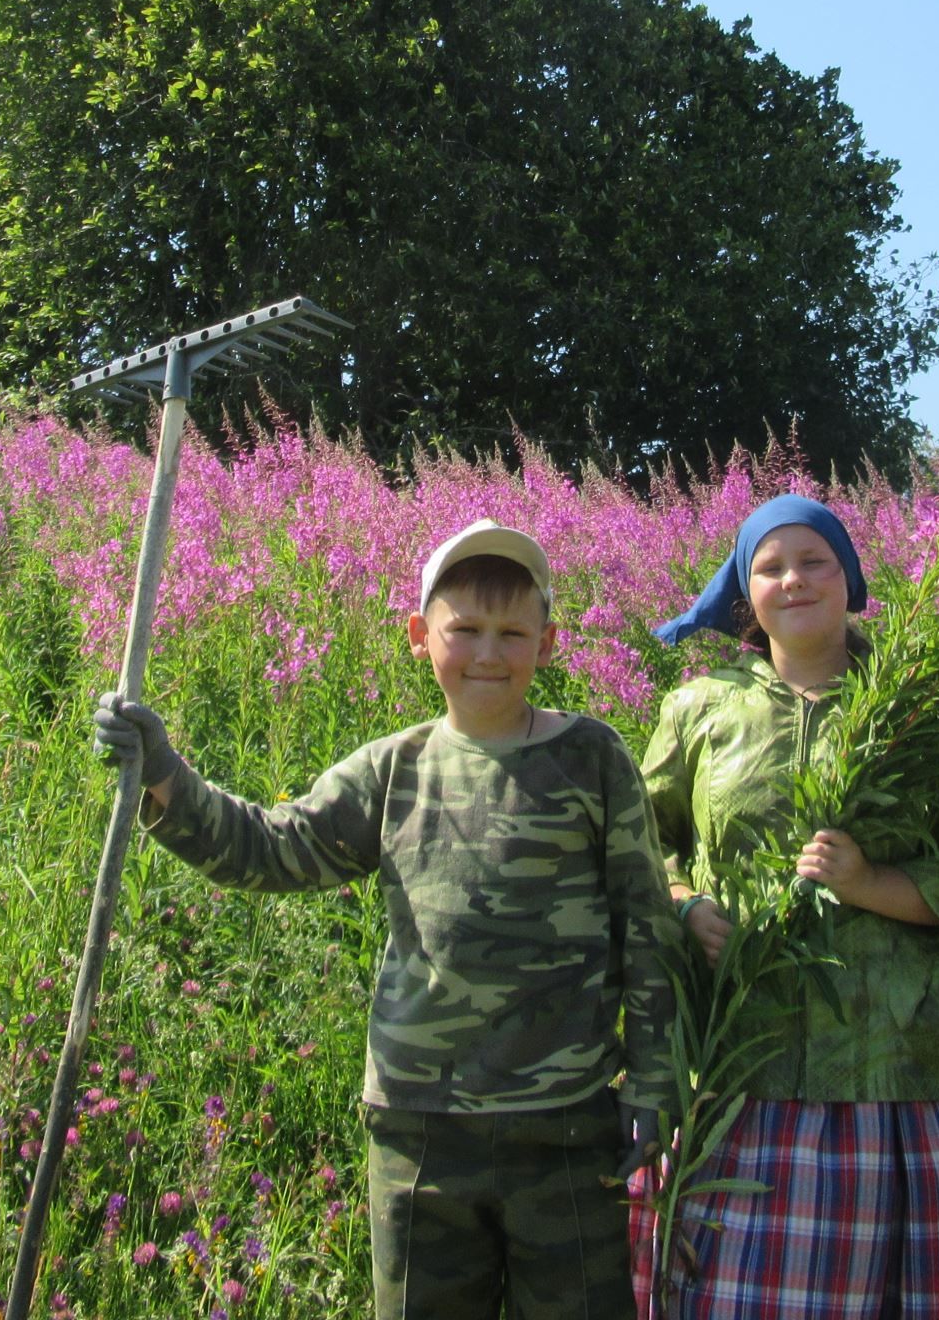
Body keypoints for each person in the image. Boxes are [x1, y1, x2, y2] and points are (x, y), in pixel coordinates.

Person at [95, 519, 675, 1320]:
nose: (488, 653)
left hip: (567, 1127)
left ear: (547, 645)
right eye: (464, 630)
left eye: (512, 634)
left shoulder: (592, 759)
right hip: (419, 1130)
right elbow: (273, 848)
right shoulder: (394, 769)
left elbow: (647, 924)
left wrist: (652, 1080)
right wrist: (164, 774)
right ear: (418, 636)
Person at [634, 494, 939, 1320]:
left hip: (889, 1076)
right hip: (739, 1072)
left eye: (815, 562)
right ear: (744, 592)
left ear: (850, 581)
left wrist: (870, 884)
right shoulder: (701, 710)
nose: (794, 580)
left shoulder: (917, 714)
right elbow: (636, 846)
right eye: (770, 567)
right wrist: (686, 906)